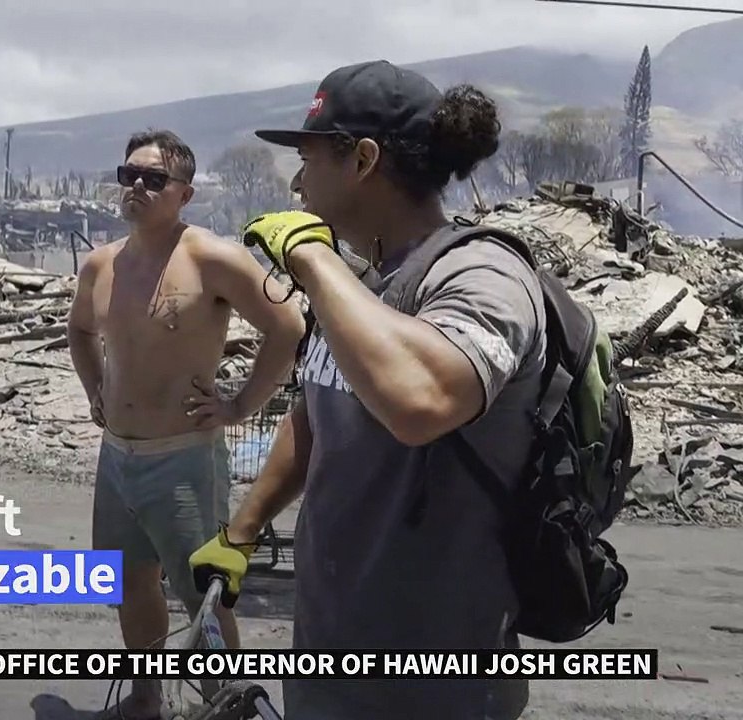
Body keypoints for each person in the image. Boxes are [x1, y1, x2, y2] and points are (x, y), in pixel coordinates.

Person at [189, 60, 543, 720]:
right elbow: (320, 413)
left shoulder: (482, 274)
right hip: (332, 651)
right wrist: (242, 531)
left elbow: (422, 403)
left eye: (308, 158)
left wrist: (313, 259)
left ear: (363, 160)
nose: (296, 182)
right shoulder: (361, 283)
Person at [67, 128, 306, 719]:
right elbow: (79, 330)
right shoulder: (102, 264)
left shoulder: (210, 258)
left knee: (203, 592)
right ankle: (147, 698)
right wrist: (95, 389)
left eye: (154, 179)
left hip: (183, 458)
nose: (137, 187)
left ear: (184, 193)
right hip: (117, 457)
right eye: (128, 176)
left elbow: (287, 327)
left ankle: (225, 706)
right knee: (128, 583)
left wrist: (241, 404)